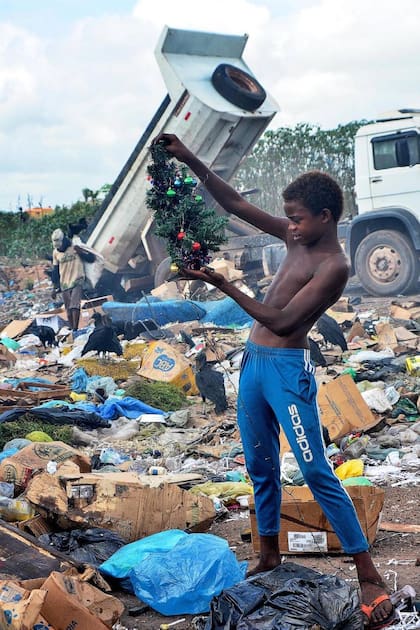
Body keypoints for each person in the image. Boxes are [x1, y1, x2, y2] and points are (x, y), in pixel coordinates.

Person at [152, 133, 395, 629]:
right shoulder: (293, 237)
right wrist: (190, 157)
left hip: (287, 369)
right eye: (288, 217)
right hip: (254, 365)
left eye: (298, 217)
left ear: (325, 217)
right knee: (260, 467)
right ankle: (268, 554)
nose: (290, 225)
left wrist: (226, 285)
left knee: (314, 470)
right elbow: (236, 202)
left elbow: (284, 322)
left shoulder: (334, 266)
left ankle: (367, 572)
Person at [51, 228, 95, 331]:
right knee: (68, 309)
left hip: (77, 279)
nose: (59, 248)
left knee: (75, 305)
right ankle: (72, 328)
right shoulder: (55, 253)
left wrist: (81, 253)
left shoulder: (75, 247)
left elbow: (91, 258)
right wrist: (54, 287)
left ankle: (75, 328)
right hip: (64, 283)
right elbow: (55, 271)